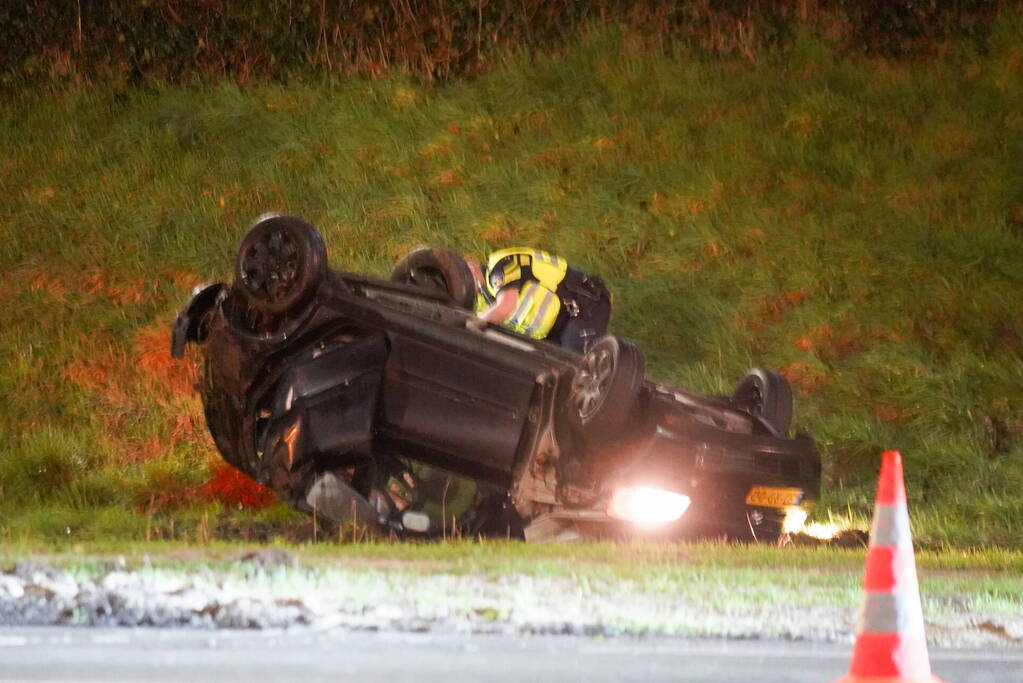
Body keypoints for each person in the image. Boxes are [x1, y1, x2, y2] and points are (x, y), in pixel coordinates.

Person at [466, 247, 611, 354]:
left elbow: (506, 306)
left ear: (471, 265)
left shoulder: (499, 267)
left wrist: (469, 331)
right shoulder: (482, 303)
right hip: (554, 331)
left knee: (579, 367)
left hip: (583, 304)